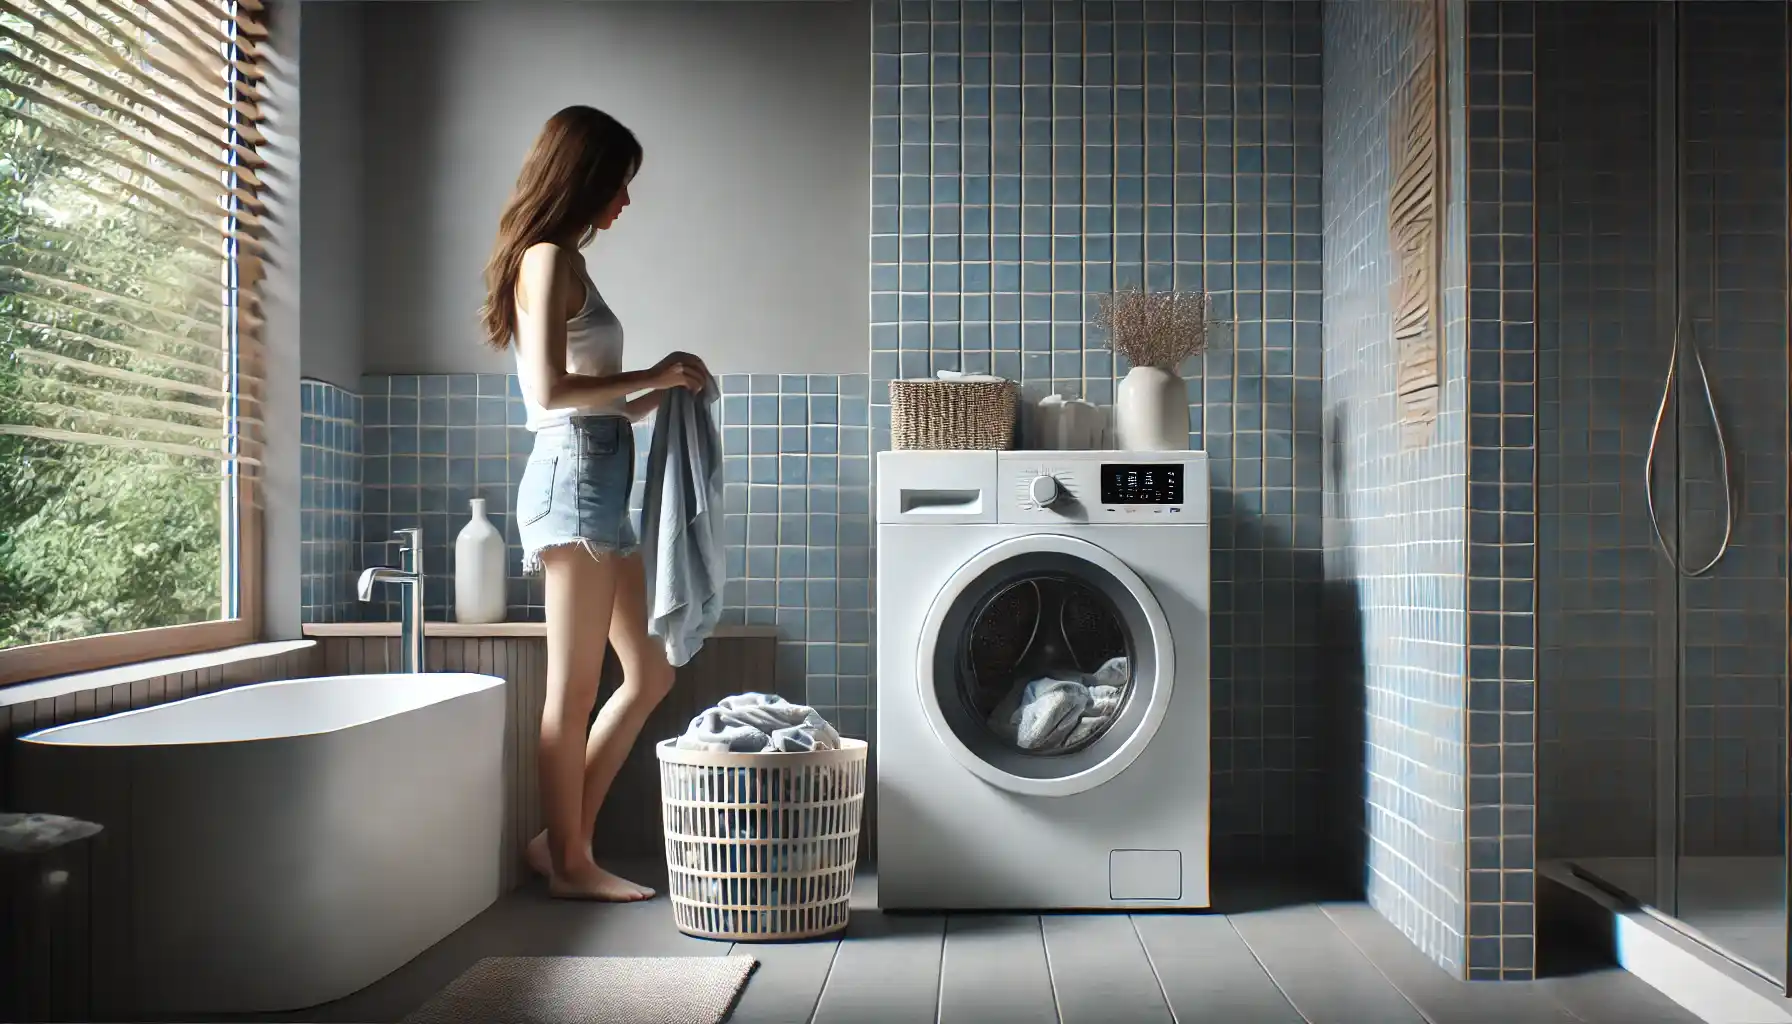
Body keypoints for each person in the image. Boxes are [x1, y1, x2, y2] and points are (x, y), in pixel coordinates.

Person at [480, 105, 707, 901]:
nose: (626, 201)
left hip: (599, 475)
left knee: (647, 673)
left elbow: (592, 399)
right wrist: (655, 374)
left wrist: (665, 391)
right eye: (619, 182)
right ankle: (574, 865)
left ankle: (557, 842)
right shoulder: (545, 258)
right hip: (573, 481)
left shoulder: (568, 260)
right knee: (573, 689)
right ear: (583, 177)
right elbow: (549, 391)